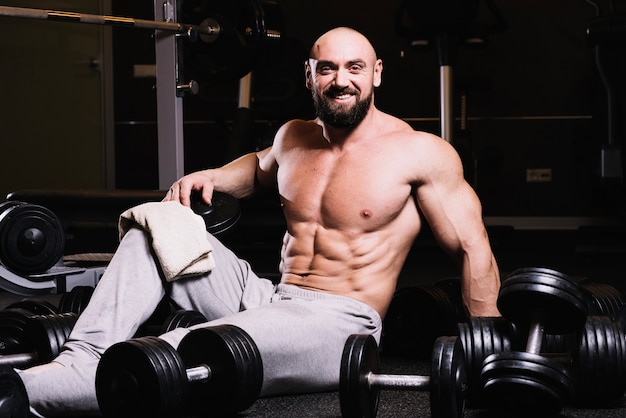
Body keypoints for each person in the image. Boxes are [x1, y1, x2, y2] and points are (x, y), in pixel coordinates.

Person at [16, 26, 500, 416]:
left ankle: (25, 391)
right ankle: (83, 357)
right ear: (309, 75)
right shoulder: (294, 137)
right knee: (158, 224)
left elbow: (471, 247)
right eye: (327, 68)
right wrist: (212, 176)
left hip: (337, 324)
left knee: (172, 352)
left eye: (354, 67)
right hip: (267, 296)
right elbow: (257, 166)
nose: (341, 80)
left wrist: (488, 344)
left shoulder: (419, 153)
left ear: (376, 73)